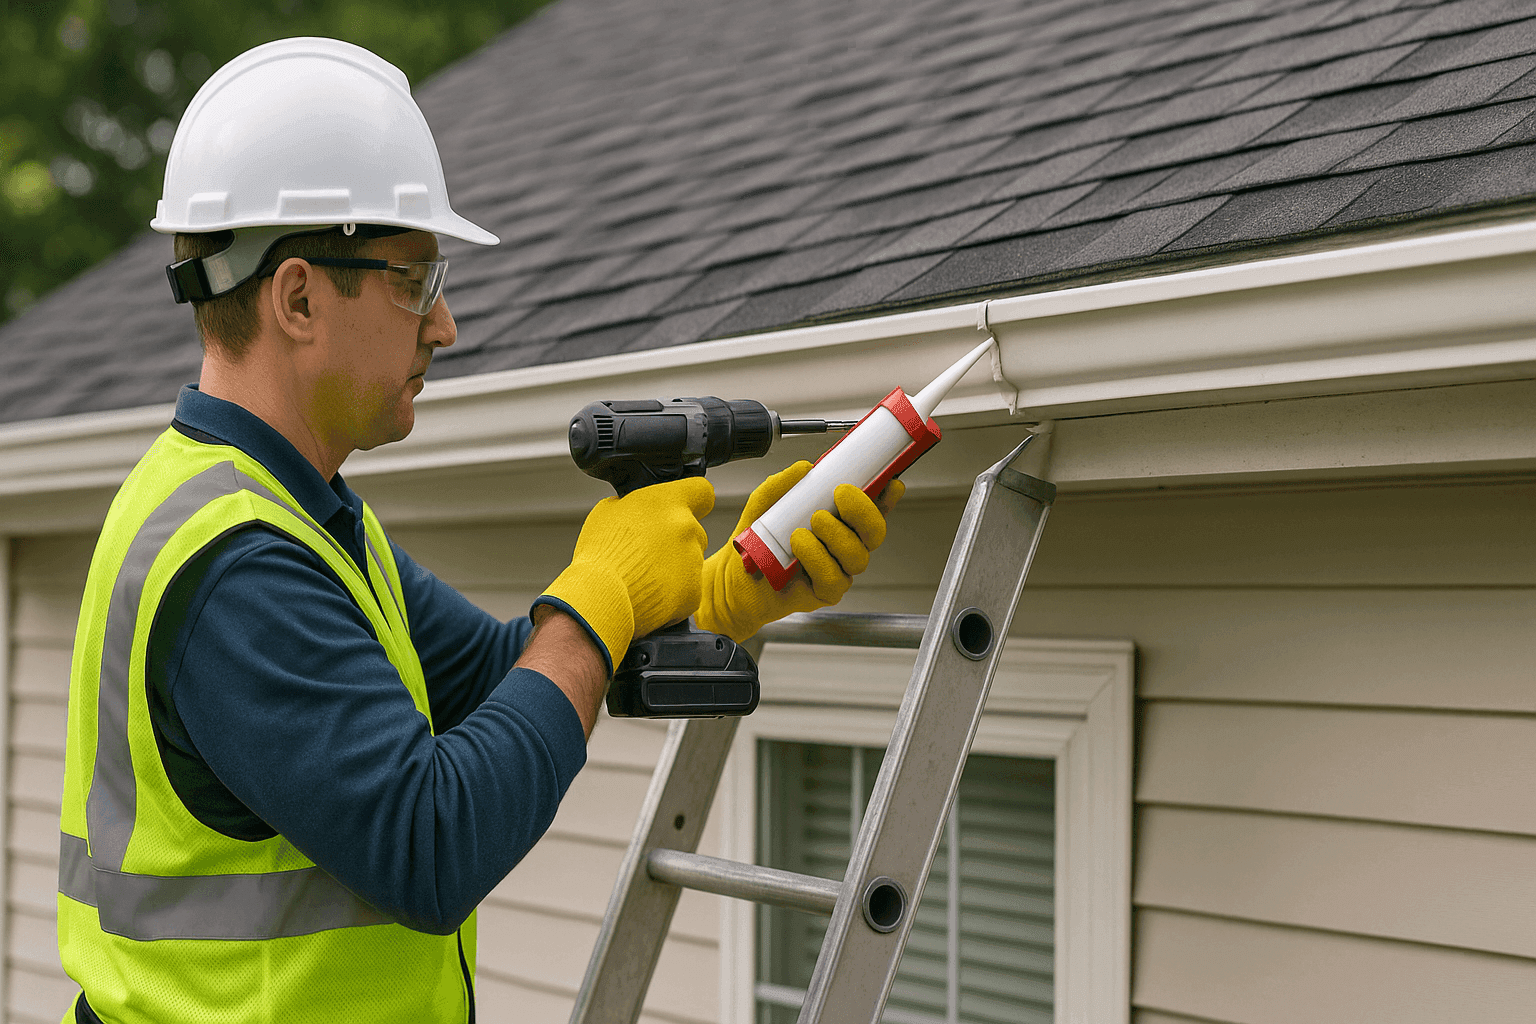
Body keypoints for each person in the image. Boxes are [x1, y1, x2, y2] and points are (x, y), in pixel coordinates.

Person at [56, 37, 901, 1023]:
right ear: (299, 297)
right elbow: (431, 844)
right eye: (413, 280)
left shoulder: (299, 516)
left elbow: (504, 673)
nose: (444, 323)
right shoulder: (236, 563)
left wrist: (718, 594)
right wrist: (599, 594)